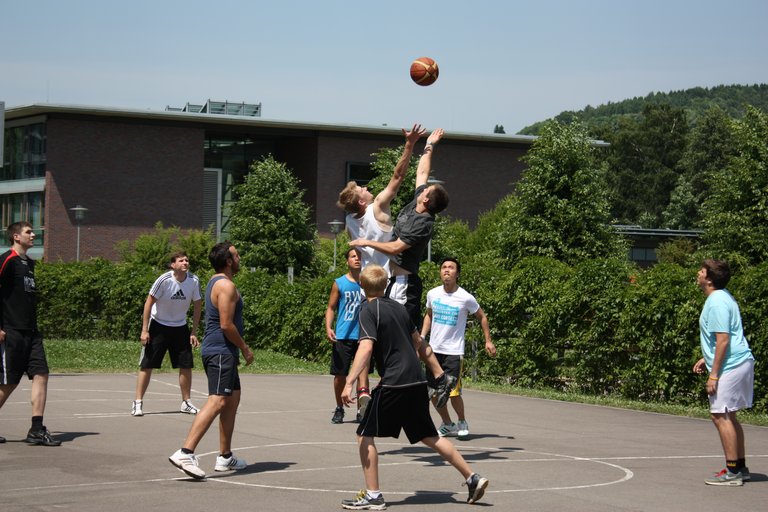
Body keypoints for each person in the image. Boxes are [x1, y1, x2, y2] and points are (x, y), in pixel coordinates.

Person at [340, 264, 489, 509]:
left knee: (363, 435)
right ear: (386, 284)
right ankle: (472, 478)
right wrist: (438, 373)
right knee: (429, 436)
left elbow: (365, 348)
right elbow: (420, 343)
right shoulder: (399, 308)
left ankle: (374, 496)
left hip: (395, 383)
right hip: (416, 380)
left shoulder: (368, 309)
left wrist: (349, 383)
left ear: (362, 287)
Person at [349, 128, 454, 406]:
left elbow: (396, 248)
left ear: (427, 201)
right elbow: (421, 172)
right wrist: (429, 145)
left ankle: (432, 378)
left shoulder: (423, 223)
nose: (424, 187)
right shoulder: (417, 201)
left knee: (408, 337)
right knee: (406, 335)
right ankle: (437, 377)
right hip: (395, 283)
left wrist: (366, 242)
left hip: (406, 285)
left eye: (427, 190)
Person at [169, 242, 254, 480]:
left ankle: (225, 457)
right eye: (236, 255)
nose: (239, 259)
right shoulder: (226, 285)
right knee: (217, 401)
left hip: (223, 352)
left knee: (232, 399)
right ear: (228, 261)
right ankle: (186, 452)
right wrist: (245, 348)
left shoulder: (214, 281)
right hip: (220, 352)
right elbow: (226, 325)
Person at [693, 259, 755, 486]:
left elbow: (723, 340)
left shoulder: (717, 301)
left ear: (709, 279)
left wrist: (714, 374)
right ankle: (739, 467)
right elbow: (723, 338)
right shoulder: (723, 296)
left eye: (701, 271)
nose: (698, 274)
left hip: (731, 366)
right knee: (729, 415)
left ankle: (733, 473)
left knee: (720, 415)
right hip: (737, 361)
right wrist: (706, 357)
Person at [421, 257, 496, 439]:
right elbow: (429, 315)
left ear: (457, 274)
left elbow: (482, 317)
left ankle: (461, 421)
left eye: (451, 268)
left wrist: (488, 340)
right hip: (433, 351)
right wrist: (422, 337)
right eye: (444, 267)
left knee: (452, 391)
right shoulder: (433, 294)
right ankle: (447, 423)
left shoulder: (465, 297)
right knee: (432, 392)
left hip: (453, 352)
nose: (447, 270)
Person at [0, 222, 61, 446]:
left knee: (41, 374)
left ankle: (36, 429)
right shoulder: (7, 260)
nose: (33, 234)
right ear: (16, 236)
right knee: (9, 383)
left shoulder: (30, 264)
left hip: (31, 332)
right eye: (28, 232)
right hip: (11, 331)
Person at [132, 252, 202, 417]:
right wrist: (144, 330)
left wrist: (193, 332)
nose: (185, 262)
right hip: (158, 326)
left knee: (185, 365)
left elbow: (198, 306)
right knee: (147, 364)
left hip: (180, 327)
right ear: (173, 265)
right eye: (181, 260)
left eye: (187, 260)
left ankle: (186, 403)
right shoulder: (164, 280)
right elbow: (148, 303)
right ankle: (137, 402)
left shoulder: (194, 281)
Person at [325, 248, 371, 424]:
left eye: (359, 257)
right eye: (353, 256)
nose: (357, 259)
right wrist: (328, 327)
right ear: (347, 261)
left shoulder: (368, 283)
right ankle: (339, 408)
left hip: (364, 336)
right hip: (343, 335)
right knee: (340, 376)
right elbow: (331, 307)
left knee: (362, 374)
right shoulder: (340, 283)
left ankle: (362, 410)